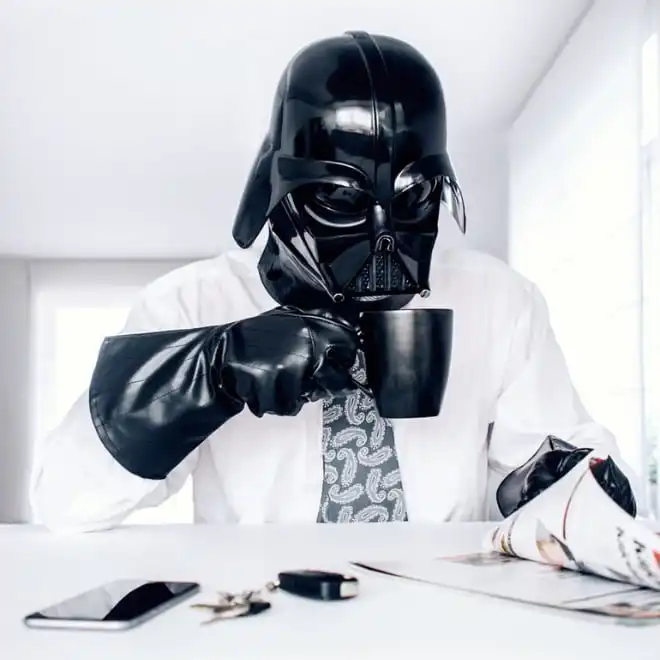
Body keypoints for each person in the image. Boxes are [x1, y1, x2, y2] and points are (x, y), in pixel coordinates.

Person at [30, 31, 637, 532]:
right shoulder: (191, 304)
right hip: (259, 614)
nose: (384, 235)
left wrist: (567, 491)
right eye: (341, 199)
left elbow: (559, 471)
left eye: (413, 195)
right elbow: (64, 500)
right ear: (277, 187)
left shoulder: (499, 302)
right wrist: (210, 369)